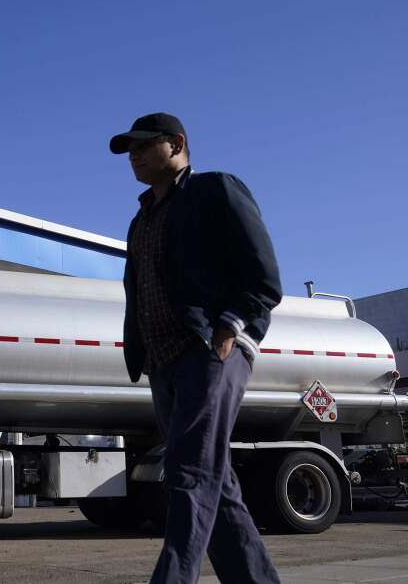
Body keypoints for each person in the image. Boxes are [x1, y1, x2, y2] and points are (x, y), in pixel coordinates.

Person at [111, 112, 282, 584]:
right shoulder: (140, 219)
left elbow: (263, 274)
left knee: (188, 471)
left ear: (177, 143)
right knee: (215, 484)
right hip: (162, 363)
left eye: (143, 145)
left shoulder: (215, 190)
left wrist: (228, 326)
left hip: (210, 350)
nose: (134, 155)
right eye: (130, 150)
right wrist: (143, 354)